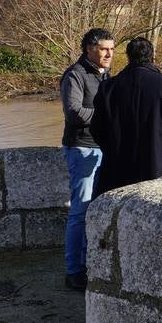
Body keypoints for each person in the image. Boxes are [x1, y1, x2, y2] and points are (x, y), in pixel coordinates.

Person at [91, 37, 162, 197]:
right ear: (152, 57)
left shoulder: (108, 87)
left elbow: (97, 130)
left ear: (128, 57)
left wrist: (114, 147)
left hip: (119, 169)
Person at [59, 28, 114, 291]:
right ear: (89, 49)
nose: (109, 54)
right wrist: (106, 117)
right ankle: (73, 271)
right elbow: (73, 113)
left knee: (95, 209)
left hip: (103, 148)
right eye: (104, 49)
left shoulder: (105, 75)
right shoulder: (75, 75)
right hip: (82, 149)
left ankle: (89, 263)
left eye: (112, 49)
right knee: (80, 211)